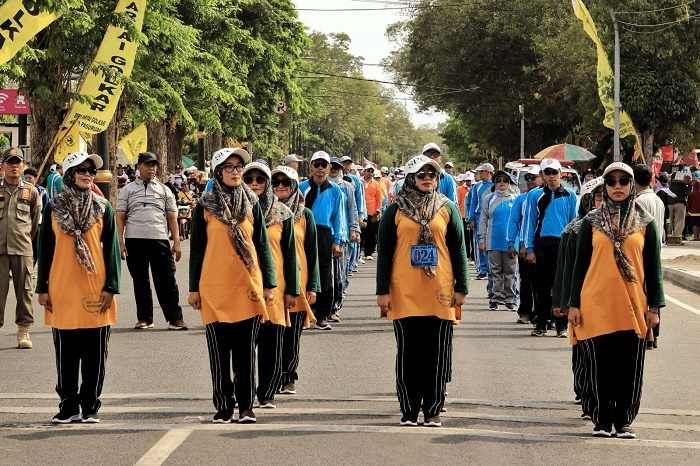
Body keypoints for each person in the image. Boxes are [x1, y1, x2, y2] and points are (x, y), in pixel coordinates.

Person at [568, 162, 664, 439]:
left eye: (624, 181)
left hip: (633, 305)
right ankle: (601, 419)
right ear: (605, 186)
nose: (618, 187)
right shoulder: (591, 222)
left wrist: (654, 307)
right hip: (595, 304)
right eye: (612, 182)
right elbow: (580, 265)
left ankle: (623, 420)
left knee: (629, 366)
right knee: (599, 366)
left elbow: (654, 268)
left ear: (632, 185)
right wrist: (574, 303)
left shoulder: (645, 223)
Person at [376, 154, 468, 427]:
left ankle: (433, 409)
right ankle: (409, 409)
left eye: (432, 175)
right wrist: (382, 291)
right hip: (404, 290)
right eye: (421, 175)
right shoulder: (395, 211)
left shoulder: (447, 208)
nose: (427, 179)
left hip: (439, 290)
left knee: (437, 353)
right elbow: (384, 253)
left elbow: (459, 249)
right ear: (411, 179)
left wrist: (461, 287)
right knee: (408, 353)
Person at [188, 147, 276, 424]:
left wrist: (269, 285)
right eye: (230, 167)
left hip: (247, 288)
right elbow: (198, 250)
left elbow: (262, 245)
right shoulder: (204, 205)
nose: (236, 171)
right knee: (219, 354)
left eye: (239, 167)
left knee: (245, 352)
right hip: (214, 288)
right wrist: (193, 288)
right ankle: (223, 406)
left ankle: (246, 406)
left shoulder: (251, 204)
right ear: (218, 172)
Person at [36, 152, 120, 423]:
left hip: (96, 289)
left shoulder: (102, 207)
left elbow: (112, 251)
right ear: (70, 175)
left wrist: (111, 286)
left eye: (91, 171)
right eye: (81, 170)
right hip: (62, 289)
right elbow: (45, 249)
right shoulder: (53, 207)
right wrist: (43, 287)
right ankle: (68, 405)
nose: (87, 175)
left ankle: (90, 406)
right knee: (66, 353)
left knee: (95, 354)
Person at [242, 160, 299, 408]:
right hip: (242, 286)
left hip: (274, 286)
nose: (254, 184)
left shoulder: (283, 215)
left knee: (271, 342)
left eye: (260, 179)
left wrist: (293, 291)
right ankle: (242, 392)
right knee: (244, 344)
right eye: (249, 179)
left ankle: (266, 392)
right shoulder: (232, 213)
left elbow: (290, 255)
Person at [116, 152, 188, 330]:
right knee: (140, 281)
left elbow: (172, 217)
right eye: (148, 165)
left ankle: (175, 319)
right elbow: (120, 217)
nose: (152, 168)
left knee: (167, 280)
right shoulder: (127, 190)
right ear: (138, 167)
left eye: (154, 165)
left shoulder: (164, 190)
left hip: (159, 239)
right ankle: (145, 319)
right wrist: (120, 242)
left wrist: (177, 242)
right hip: (134, 239)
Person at [551, 176, 604, 412]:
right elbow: (565, 270)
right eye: (598, 197)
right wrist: (563, 302)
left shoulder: (626, 227)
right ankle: (584, 392)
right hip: (580, 300)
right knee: (583, 350)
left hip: (610, 301)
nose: (602, 202)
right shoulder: (574, 230)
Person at [271, 166, 320, 395]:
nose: (280, 187)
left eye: (286, 183)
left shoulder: (305, 215)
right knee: (272, 332)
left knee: (292, 334)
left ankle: (289, 375)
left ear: (294, 187)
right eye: (276, 183)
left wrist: (313, 286)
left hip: (298, 282)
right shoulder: (264, 212)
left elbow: (313, 253)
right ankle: (271, 374)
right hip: (272, 281)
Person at [523, 158, 578, 337]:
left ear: (560, 174)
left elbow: (574, 222)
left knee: (561, 286)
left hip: (562, 245)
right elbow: (529, 223)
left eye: (555, 172)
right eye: (548, 172)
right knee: (541, 286)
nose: (552, 176)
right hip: (541, 244)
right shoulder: (535, 195)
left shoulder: (570, 195)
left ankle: (561, 325)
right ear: (542, 175)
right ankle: (541, 323)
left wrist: (573, 247)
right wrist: (529, 248)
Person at [299, 151, 345, 330]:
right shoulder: (302, 187)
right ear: (310, 166)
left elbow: (338, 218)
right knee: (303, 270)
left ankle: (321, 315)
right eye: (316, 164)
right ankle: (304, 313)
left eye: (323, 165)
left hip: (324, 233)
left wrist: (338, 241)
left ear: (329, 168)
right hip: (303, 232)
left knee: (325, 274)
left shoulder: (335, 191)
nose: (319, 169)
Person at [0, 150, 41, 349]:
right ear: (3, 166)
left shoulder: (31, 191)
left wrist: (24, 239)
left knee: (25, 292)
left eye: (18, 162)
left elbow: (34, 223)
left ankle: (23, 331)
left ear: (23, 166)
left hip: (22, 248)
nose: (14, 166)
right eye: (10, 162)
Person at [479, 171, 519, 311]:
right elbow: (483, 220)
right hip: (492, 241)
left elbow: (519, 222)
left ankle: (510, 299)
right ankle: (495, 298)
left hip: (510, 243)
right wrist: (482, 239)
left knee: (511, 271)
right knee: (495, 271)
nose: (502, 183)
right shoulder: (488, 198)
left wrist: (518, 242)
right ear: (495, 183)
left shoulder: (515, 199)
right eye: (498, 180)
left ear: (509, 183)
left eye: (505, 180)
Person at [506, 165, 541, 324]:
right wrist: (512, 243)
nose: (530, 181)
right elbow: (514, 222)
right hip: (524, 246)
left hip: (545, 245)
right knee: (526, 280)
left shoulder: (549, 196)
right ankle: (525, 311)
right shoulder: (521, 199)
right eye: (527, 178)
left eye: (533, 177)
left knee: (543, 282)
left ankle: (543, 314)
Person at [329, 157, 360, 320]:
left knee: (340, 273)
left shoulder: (347, 186)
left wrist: (354, 229)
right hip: (323, 235)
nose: (333, 169)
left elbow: (352, 209)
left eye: (336, 167)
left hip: (342, 236)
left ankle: (335, 306)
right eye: (331, 166)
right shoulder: (318, 186)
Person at [467, 164, 495, 280]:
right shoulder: (476, 186)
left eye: (481, 172)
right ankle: (482, 269)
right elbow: (472, 203)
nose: (479, 174)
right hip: (479, 217)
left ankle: (491, 269)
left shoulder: (495, 185)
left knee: (491, 243)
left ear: (489, 172)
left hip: (492, 217)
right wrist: (471, 218)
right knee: (480, 243)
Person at [634, 165, 665, 246]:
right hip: (657, 249)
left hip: (644, 249)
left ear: (633, 180)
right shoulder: (659, 200)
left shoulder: (638, 201)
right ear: (651, 179)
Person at [361, 166, 383, 261]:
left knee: (372, 232)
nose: (370, 173)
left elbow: (379, 198)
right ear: (364, 171)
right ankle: (359, 253)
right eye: (368, 171)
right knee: (362, 233)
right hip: (361, 211)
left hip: (372, 211)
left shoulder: (376, 184)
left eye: (371, 171)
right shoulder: (359, 181)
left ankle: (368, 252)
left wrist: (378, 210)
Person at [667, 171, 691, 244]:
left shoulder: (670, 184)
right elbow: (688, 193)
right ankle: (676, 239)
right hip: (680, 204)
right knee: (679, 221)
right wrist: (689, 184)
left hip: (670, 204)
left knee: (670, 221)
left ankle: (668, 238)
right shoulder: (683, 185)